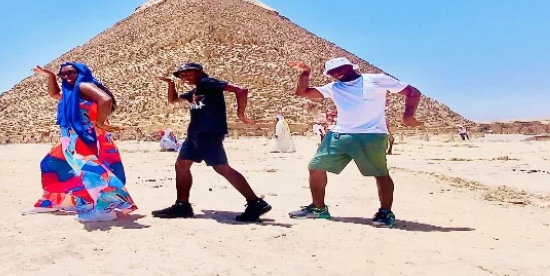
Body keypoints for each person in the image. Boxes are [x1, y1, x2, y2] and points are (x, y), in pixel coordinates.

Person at [287, 58, 422, 228]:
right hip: (339, 135)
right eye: (332, 72)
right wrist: (305, 73)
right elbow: (302, 93)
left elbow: (413, 92)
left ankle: (385, 212)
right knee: (315, 167)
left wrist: (408, 115)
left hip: (370, 135)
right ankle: (318, 208)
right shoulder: (334, 88)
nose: (337, 73)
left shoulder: (376, 79)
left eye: (340, 68)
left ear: (351, 66)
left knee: (380, 174)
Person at [153, 62, 272, 222]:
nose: (184, 77)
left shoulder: (207, 83)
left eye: (188, 73)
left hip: (208, 133)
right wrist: (171, 84)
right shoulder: (196, 91)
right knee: (181, 165)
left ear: (200, 73)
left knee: (222, 168)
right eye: (181, 75)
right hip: (194, 135)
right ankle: (182, 205)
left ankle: (255, 202)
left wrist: (241, 115)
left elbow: (241, 90)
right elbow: (173, 99)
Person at [28, 62, 137, 222]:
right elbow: (54, 94)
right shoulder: (71, 92)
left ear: (80, 72)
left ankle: (105, 209)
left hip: (81, 136)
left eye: (71, 73)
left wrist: (101, 122)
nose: (67, 77)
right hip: (69, 136)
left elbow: (105, 99)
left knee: (90, 170)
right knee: (51, 164)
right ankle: (64, 201)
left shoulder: (83, 86)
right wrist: (50, 76)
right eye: (62, 74)